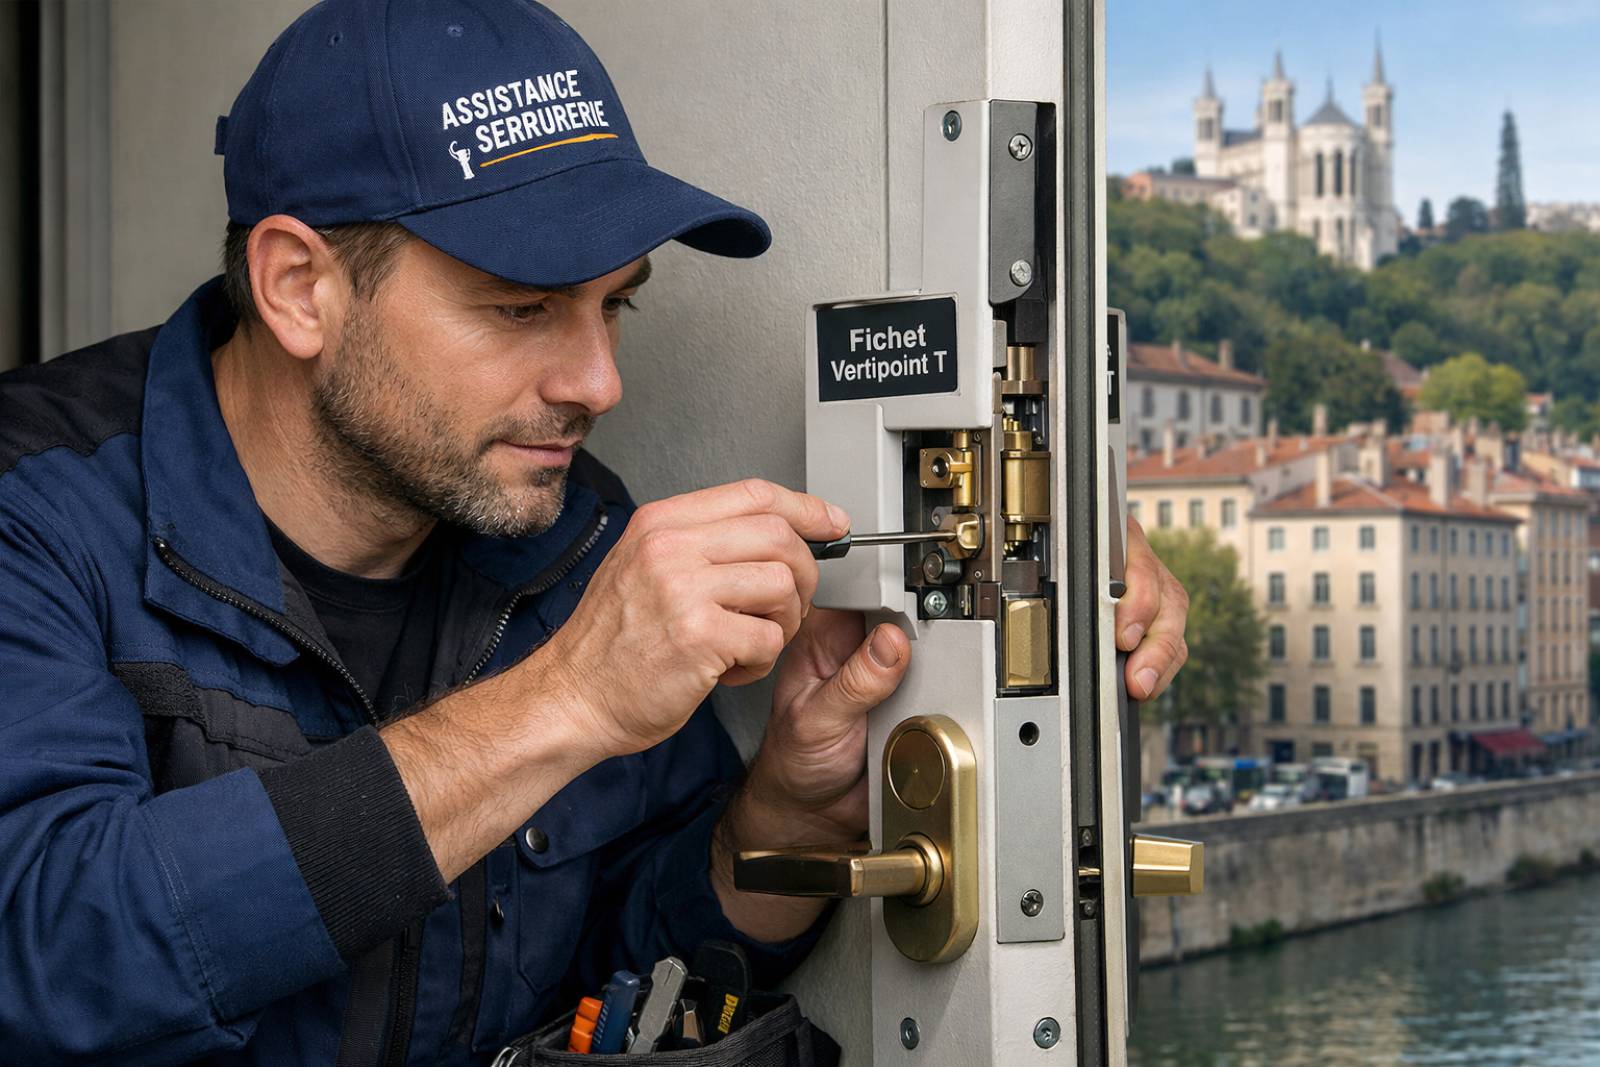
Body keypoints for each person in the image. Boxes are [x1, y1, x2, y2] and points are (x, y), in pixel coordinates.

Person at [0, 1, 1189, 1063]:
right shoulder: (34, 512)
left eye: (613, 304)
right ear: (300, 288)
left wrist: (783, 815)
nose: (598, 381)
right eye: (521, 306)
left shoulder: (570, 529)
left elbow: (624, 965)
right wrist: (563, 698)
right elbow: (44, 955)